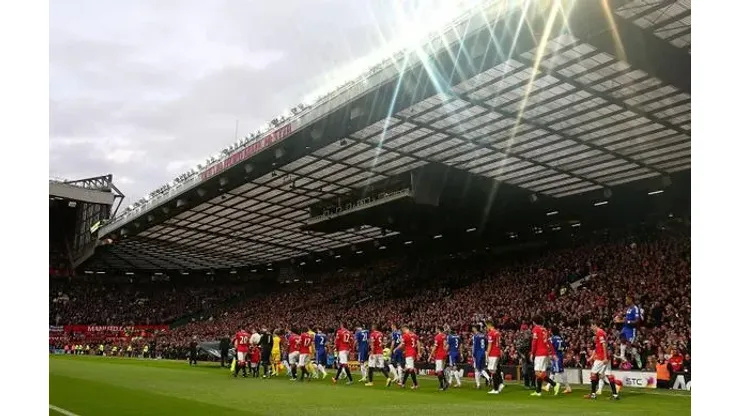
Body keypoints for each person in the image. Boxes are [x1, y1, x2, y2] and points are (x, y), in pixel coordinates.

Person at [585, 320, 620, 400]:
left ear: (594, 325)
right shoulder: (601, 332)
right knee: (608, 374)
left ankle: (593, 394)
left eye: (591, 326)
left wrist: (604, 357)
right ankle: (615, 395)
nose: (591, 328)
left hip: (601, 358)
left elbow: (604, 345)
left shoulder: (600, 332)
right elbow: (599, 346)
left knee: (593, 374)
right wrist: (593, 357)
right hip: (605, 357)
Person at [530, 316, 559, 397]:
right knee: (541, 373)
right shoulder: (545, 330)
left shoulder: (536, 329)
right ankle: (538, 391)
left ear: (534, 322)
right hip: (546, 353)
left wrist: (532, 353)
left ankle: (554, 384)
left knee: (537, 372)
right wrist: (553, 354)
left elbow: (534, 342)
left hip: (540, 353)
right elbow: (549, 343)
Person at [617, 296, 643, 369]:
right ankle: (622, 356)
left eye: (627, 299)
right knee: (622, 339)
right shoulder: (628, 308)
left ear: (631, 300)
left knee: (629, 345)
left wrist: (627, 321)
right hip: (625, 328)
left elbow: (637, 321)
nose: (626, 301)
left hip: (632, 329)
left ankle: (637, 356)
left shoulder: (635, 308)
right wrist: (621, 318)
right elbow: (627, 318)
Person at [545, 327, 571, 394]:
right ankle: (547, 386)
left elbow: (549, 346)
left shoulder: (552, 338)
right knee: (553, 371)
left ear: (552, 332)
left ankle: (565, 387)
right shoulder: (560, 338)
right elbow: (565, 347)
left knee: (559, 372)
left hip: (556, 356)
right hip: (560, 355)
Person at [395, 325, 420, 389]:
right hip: (413, 352)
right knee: (408, 369)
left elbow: (402, 344)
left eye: (402, 329)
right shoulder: (414, 335)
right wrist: (419, 352)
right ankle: (403, 383)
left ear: (405, 328)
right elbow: (418, 343)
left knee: (411, 369)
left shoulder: (405, 335)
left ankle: (416, 384)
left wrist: (396, 349)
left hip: (409, 353)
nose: (402, 331)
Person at [485, 321, 504, 394]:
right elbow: (499, 343)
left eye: (487, 326)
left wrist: (487, 354)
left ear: (489, 325)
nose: (486, 327)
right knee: (496, 369)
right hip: (497, 352)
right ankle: (500, 384)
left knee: (492, 370)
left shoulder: (491, 333)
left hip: (493, 354)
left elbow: (490, 345)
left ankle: (495, 389)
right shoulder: (497, 332)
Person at [471, 325, 490, 389]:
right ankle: (489, 378)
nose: (472, 329)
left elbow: (474, 346)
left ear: (476, 328)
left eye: (473, 328)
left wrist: (473, 354)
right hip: (483, 353)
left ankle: (478, 385)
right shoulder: (484, 335)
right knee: (481, 368)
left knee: (476, 369)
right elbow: (487, 344)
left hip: (478, 353)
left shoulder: (475, 336)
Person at [432, 326, 449, 391]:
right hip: (444, 354)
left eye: (436, 329)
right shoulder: (445, 336)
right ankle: (446, 382)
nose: (435, 330)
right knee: (441, 370)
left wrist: (430, 355)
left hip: (439, 354)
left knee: (438, 371)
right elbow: (447, 345)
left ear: (438, 329)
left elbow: (435, 347)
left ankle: (441, 386)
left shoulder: (437, 337)